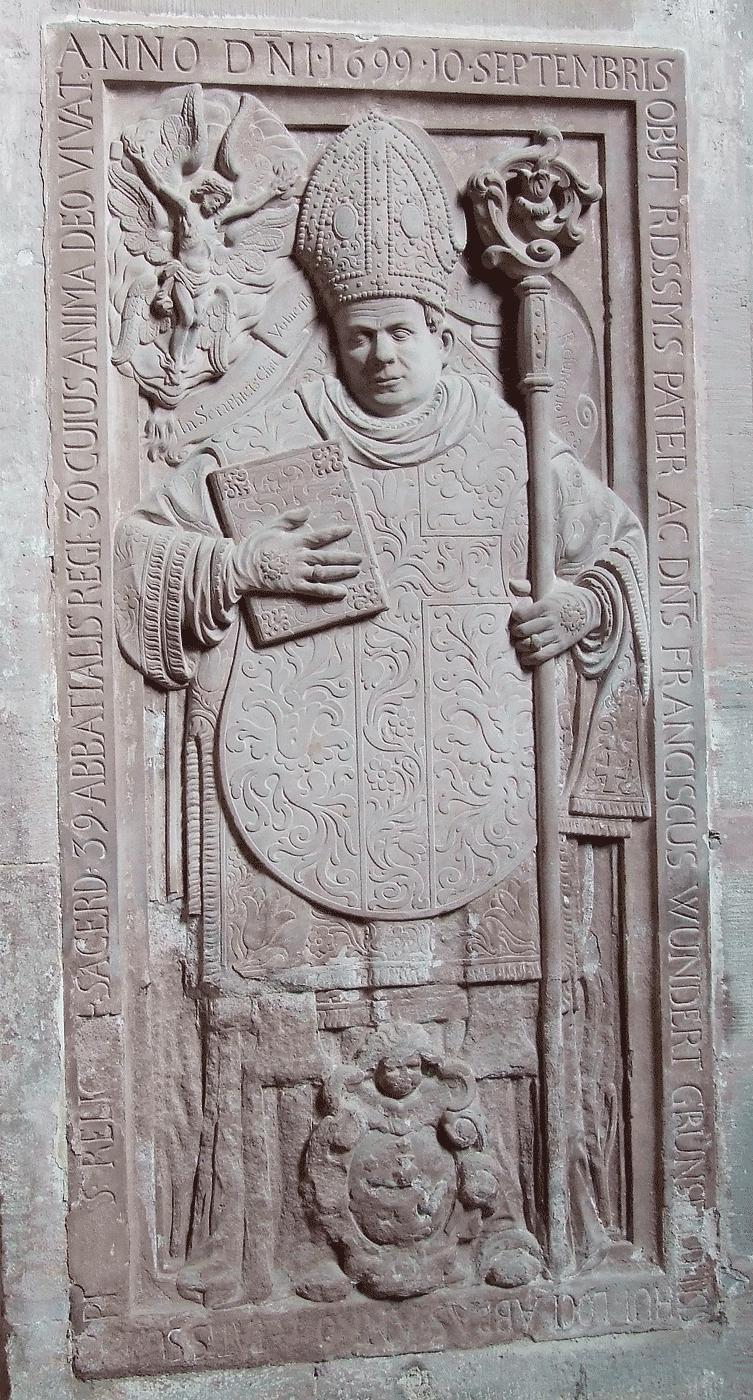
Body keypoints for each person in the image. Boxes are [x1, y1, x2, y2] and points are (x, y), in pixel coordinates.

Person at [114, 112, 650, 1306]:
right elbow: (139, 554)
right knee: (264, 1014)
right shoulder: (268, 438)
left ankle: (538, 1217)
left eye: (401, 330)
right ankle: (247, 1240)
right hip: (297, 799)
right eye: (357, 335)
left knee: (515, 995)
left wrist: (579, 609)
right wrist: (240, 563)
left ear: (437, 328)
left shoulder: (511, 446)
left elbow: (621, 554)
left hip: (476, 800)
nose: (380, 355)